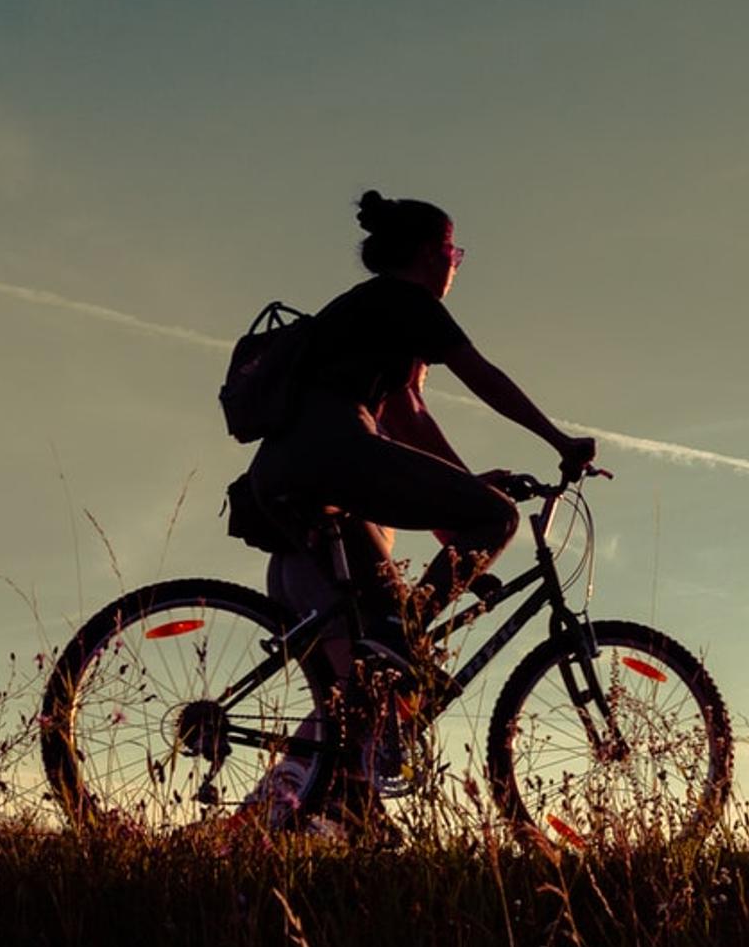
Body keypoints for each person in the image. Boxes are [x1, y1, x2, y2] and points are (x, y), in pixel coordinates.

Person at [243, 189, 595, 835]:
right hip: (336, 453)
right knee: (498, 524)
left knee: (364, 685)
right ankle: (404, 639)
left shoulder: (371, 317)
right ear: (432, 255)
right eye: (453, 251)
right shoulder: (409, 303)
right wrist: (559, 441)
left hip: (287, 474)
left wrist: (460, 506)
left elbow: (408, 418)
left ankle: (324, 803)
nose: (456, 263)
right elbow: (482, 376)